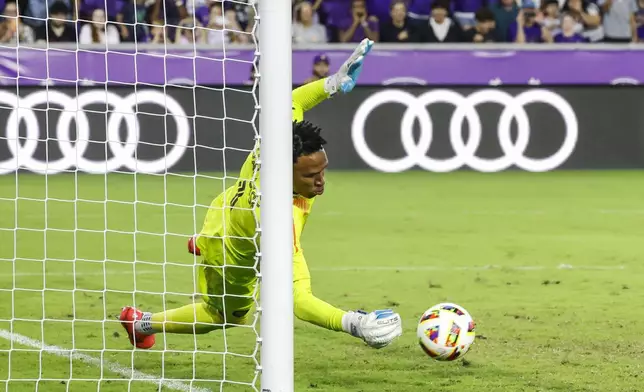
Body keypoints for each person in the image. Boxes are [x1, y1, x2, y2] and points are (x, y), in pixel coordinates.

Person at [119, 39, 403, 351]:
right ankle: (139, 321)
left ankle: (201, 240)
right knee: (226, 316)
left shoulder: (281, 141)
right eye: (310, 176)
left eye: (323, 170)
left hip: (225, 207)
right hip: (232, 253)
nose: (321, 181)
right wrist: (354, 322)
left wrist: (332, 83)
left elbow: (293, 100)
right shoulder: (278, 222)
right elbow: (299, 300)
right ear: (284, 173)